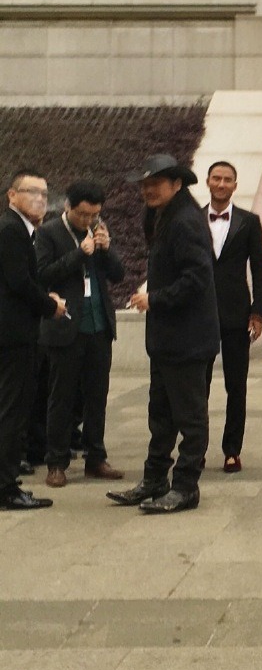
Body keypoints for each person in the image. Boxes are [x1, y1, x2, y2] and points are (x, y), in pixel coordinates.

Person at [109, 153, 220, 513]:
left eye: (155, 184)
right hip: (166, 338)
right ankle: (155, 479)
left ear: (177, 184)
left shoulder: (186, 221)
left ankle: (186, 486)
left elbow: (198, 278)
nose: (148, 190)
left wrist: (155, 299)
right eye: (144, 185)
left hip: (188, 339)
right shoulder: (160, 217)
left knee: (190, 417)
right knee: (160, 414)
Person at [36, 179, 124, 488]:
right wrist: (80, 253)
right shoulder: (48, 233)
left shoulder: (97, 230)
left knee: (97, 396)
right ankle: (56, 462)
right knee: (61, 397)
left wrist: (105, 248)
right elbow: (43, 275)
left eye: (94, 215)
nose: (88, 221)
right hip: (65, 326)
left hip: (98, 325)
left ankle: (95, 458)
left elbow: (118, 274)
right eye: (83, 215)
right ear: (67, 207)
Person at [0, 169, 66, 511]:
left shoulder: (20, 230)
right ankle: (6, 488)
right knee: (13, 411)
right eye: (32, 192)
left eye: (44, 193)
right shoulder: (11, 230)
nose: (41, 199)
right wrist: (50, 305)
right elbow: (19, 283)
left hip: (15, 332)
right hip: (13, 336)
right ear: (12, 196)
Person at [203, 161, 262, 472]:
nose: (221, 184)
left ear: (235, 185)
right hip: (198, 313)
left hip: (235, 313)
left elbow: (259, 269)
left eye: (228, 179)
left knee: (236, 384)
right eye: (217, 178)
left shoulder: (249, 222)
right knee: (196, 385)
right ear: (207, 181)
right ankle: (195, 448)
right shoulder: (192, 220)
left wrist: (258, 313)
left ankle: (232, 449)